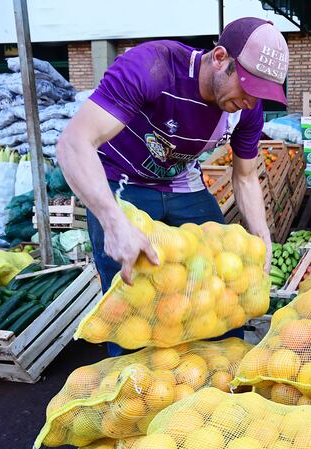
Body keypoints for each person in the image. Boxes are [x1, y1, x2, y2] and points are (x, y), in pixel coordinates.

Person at [58, 18, 288, 354]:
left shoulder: (246, 111)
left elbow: (245, 176)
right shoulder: (154, 67)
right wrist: (113, 221)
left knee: (224, 280)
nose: (252, 102)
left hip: (182, 182)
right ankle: (136, 385)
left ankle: (217, 380)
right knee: (132, 294)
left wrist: (263, 236)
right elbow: (74, 144)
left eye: (261, 94)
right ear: (221, 57)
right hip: (123, 180)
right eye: (248, 88)